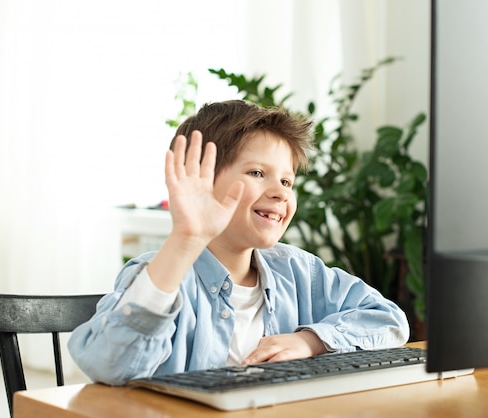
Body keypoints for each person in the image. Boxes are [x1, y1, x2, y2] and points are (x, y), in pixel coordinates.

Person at [68, 100, 410, 386]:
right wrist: (186, 239)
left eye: (287, 180)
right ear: (198, 178)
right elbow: (110, 365)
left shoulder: (299, 271)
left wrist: (309, 341)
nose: (280, 191)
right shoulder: (159, 276)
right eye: (257, 173)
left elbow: (389, 321)